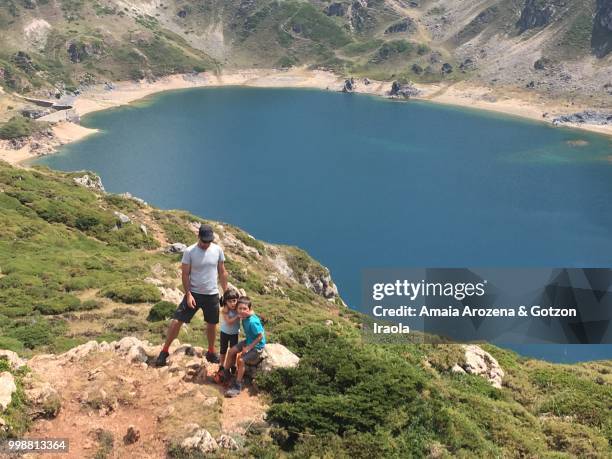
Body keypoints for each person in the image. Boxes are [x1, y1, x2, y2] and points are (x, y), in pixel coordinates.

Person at [155, 224, 228, 366]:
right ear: (198, 237)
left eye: (209, 241)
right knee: (177, 321)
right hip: (194, 293)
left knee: (212, 324)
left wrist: (225, 292)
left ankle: (211, 352)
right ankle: (164, 351)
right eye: (204, 241)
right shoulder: (189, 251)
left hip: (212, 294)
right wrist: (188, 294)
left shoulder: (218, 250)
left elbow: (222, 271)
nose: (206, 244)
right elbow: (185, 274)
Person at [224, 296, 266, 397]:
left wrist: (249, 348)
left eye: (244, 309)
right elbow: (228, 308)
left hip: (257, 347)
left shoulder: (252, 321)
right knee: (231, 351)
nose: (242, 311)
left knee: (241, 360)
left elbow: (261, 336)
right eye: (240, 308)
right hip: (248, 341)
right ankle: (226, 374)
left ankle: (237, 385)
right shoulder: (243, 316)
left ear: (249, 309)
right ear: (237, 309)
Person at [214, 289, 241, 383]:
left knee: (233, 351)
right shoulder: (224, 310)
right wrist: (238, 316)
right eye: (230, 301)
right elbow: (229, 322)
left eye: (234, 300)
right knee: (223, 350)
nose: (233, 303)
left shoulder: (238, 309)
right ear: (225, 301)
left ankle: (233, 366)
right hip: (224, 333)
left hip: (234, 334)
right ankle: (222, 366)